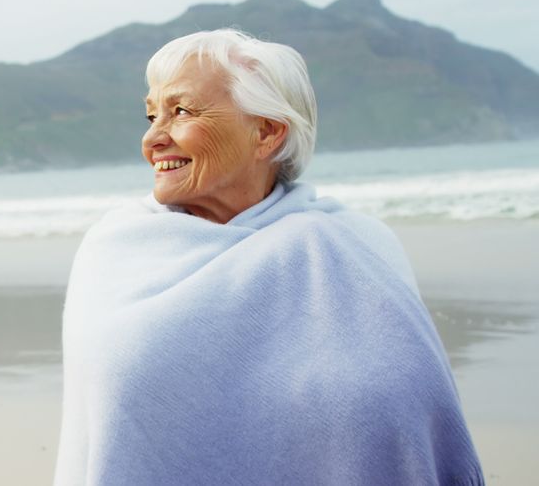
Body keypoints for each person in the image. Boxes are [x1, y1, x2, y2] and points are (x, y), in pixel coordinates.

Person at [52, 29, 484, 485]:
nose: (153, 139)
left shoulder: (352, 248)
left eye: (180, 112)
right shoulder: (117, 250)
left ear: (267, 132)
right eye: (150, 115)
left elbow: (404, 415)